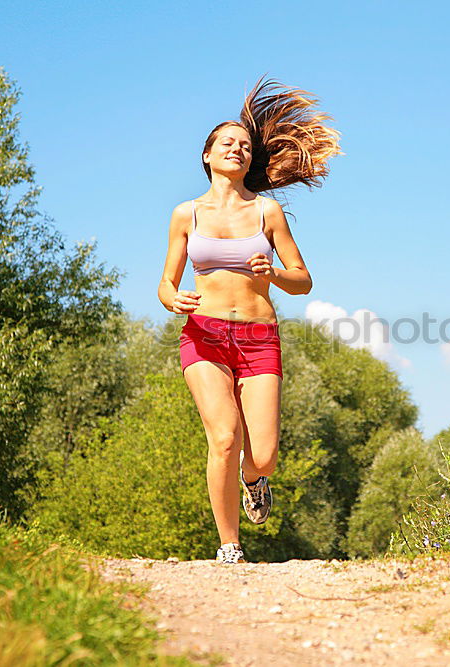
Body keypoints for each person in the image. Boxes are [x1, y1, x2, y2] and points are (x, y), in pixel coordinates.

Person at [158, 78, 341, 564]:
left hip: (260, 337)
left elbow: (303, 280)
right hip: (205, 336)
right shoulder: (185, 214)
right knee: (224, 437)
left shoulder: (267, 211)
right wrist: (173, 299)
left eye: (243, 145)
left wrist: (274, 274)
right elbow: (165, 283)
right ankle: (229, 545)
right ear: (207, 155)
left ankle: (255, 482)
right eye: (227, 143)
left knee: (262, 453)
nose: (237, 149)